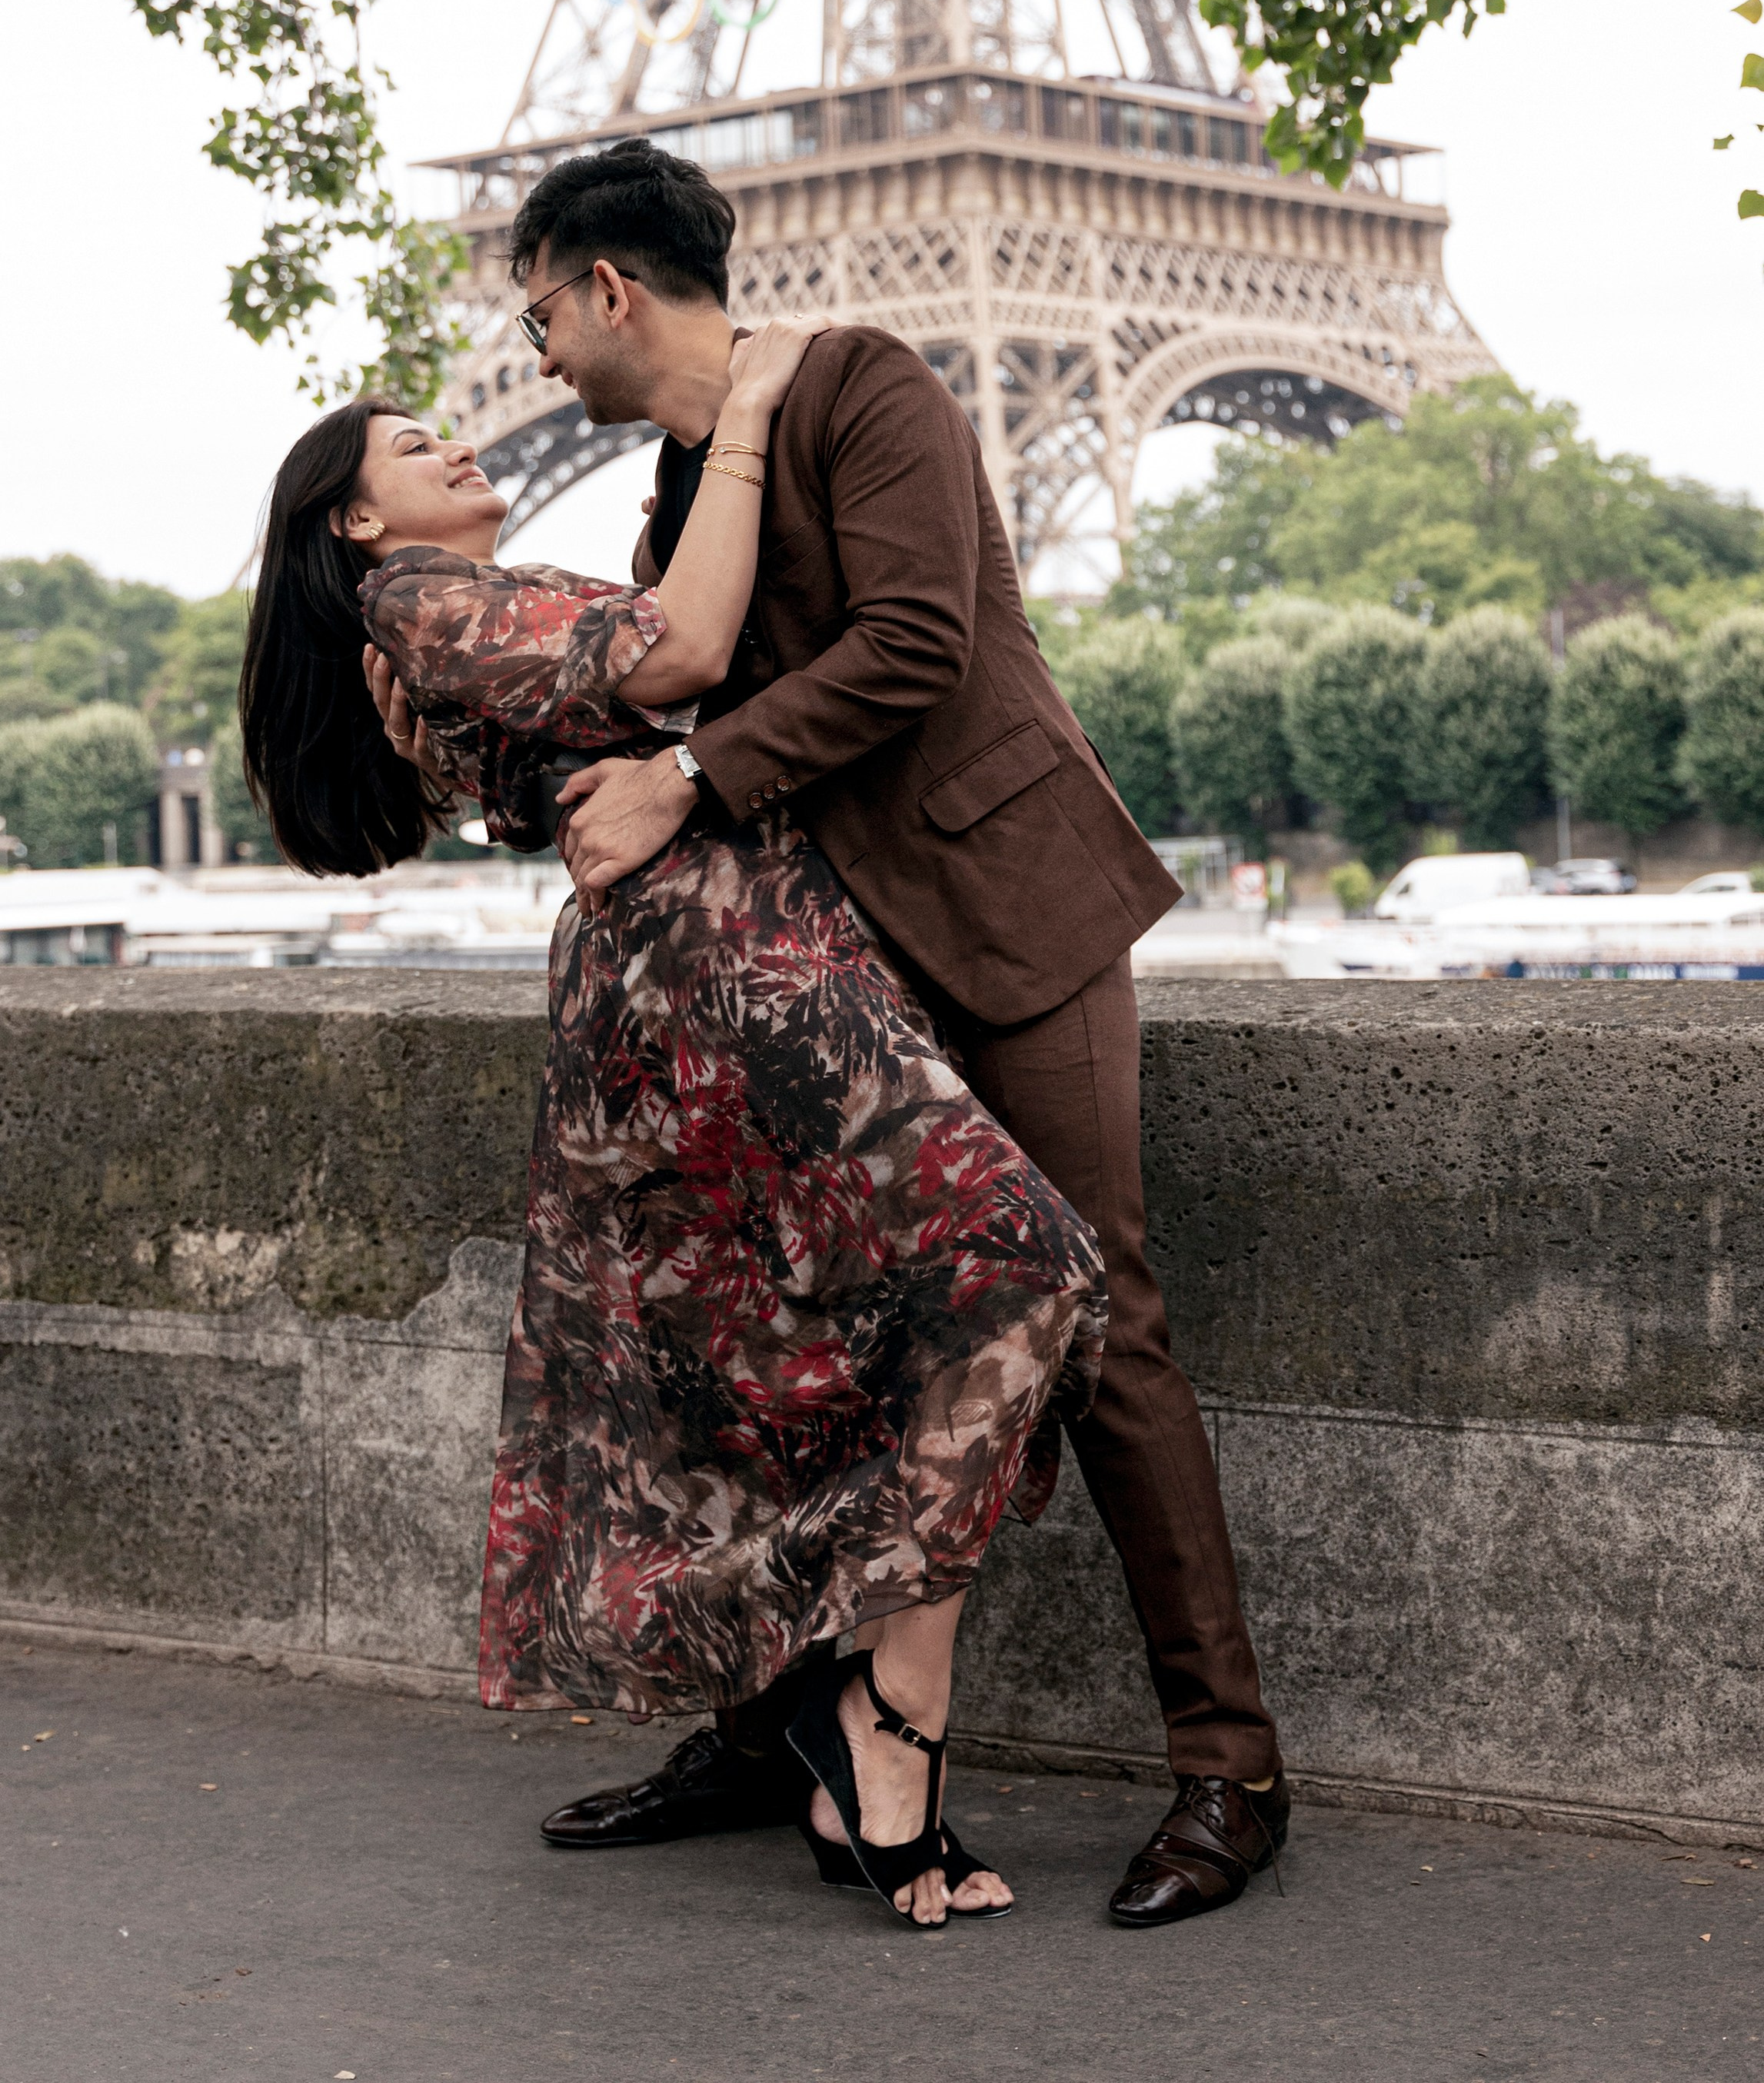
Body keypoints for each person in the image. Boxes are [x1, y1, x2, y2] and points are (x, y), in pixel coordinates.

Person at [378, 136, 1290, 1930]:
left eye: (539, 307)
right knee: (787, 1353)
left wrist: (687, 776)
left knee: (1100, 1313)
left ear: (608, 284)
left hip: (1006, 905)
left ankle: (1230, 1763)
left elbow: (918, 644)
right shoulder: (672, 491)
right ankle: (778, 1720)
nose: (536, 349)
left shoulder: (865, 381)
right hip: (841, 966)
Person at [241, 337, 1107, 1932]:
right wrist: (759, 414)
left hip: (700, 977)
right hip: (728, 972)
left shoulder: (447, 616)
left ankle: (827, 1701)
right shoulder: (425, 605)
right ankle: (885, 1729)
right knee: (1025, 1271)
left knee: (783, 1368)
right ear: (355, 525)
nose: (453, 442)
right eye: (409, 444)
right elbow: (687, 639)